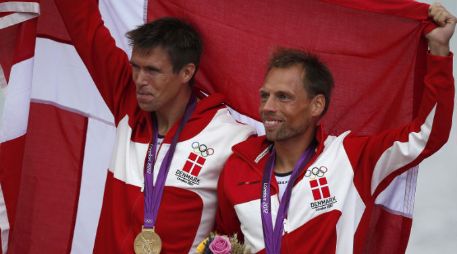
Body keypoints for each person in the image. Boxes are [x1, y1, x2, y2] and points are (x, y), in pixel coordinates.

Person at [216, 3, 455, 254]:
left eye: (283, 97)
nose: (268, 107)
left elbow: (426, 135)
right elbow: (226, 243)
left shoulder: (351, 158)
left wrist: (438, 50)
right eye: (265, 96)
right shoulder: (237, 167)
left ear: (316, 105)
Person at [53, 1, 255, 253]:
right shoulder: (128, 102)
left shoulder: (231, 139)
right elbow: (84, 26)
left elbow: (245, 234)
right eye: (135, 67)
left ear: (186, 72)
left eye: (152, 70)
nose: (139, 80)